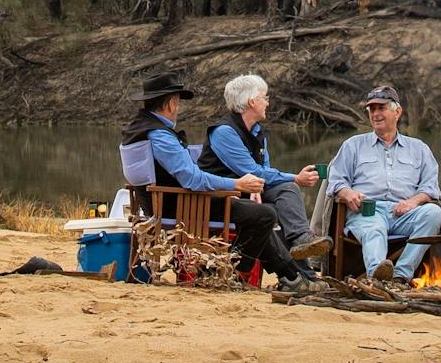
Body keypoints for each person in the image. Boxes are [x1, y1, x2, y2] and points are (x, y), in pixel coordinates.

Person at [118, 70, 306, 289]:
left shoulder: (140, 129)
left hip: (165, 203)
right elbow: (192, 179)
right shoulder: (160, 135)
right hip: (183, 206)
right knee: (263, 215)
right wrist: (236, 184)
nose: (178, 108)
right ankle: (236, 273)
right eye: (177, 103)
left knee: (254, 211)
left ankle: (290, 275)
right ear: (170, 104)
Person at [197, 73, 329, 276]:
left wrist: (272, 185)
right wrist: (296, 177)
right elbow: (253, 171)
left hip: (246, 192)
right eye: (264, 97)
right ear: (252, 101)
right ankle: (295, 272)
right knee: (279, 199)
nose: (268, 103)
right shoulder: (224, 132)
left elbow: (264, 171)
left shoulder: (258, 131)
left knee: (286, 193)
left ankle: (302, 245)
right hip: (220, 195)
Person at [325, 84, 441, 283]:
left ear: (397, 112)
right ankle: (377, 279)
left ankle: (400, 276)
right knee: (375, 228)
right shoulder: (353, 145)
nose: (376, 114)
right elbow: (336, 180)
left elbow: (430, 187)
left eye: (381, 108)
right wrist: (348, 194)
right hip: (367, 210)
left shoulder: (419, 149)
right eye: (372, 110)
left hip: (405, 213)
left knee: (433, 213)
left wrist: (413, 202)